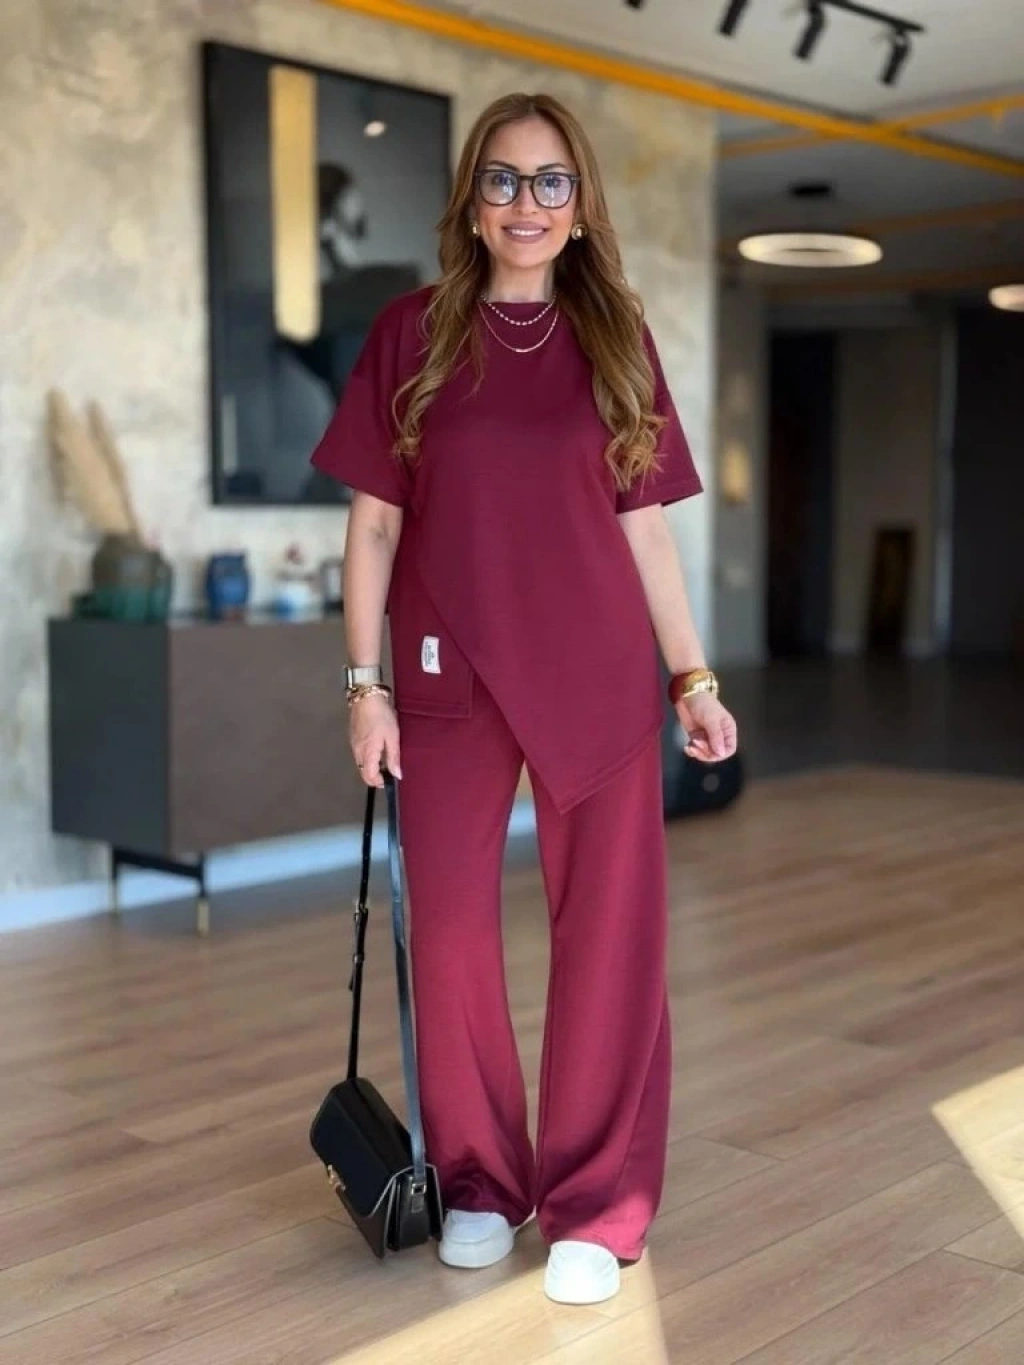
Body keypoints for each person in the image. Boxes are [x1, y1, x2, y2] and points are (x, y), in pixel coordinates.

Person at [309, 91, 738, 1306]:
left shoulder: (617, 340)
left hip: (597, 672)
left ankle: (596, 1203)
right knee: (450, 936)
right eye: (502, 179)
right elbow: (372, 526)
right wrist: (363, 686)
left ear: (580, 205)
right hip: (443, 671)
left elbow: (643, 530)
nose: (527, 203)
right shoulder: (411, 332)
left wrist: (692, 676)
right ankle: (481, 1184)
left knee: (609, 936)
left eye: (552, 181)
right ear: (471, 202)